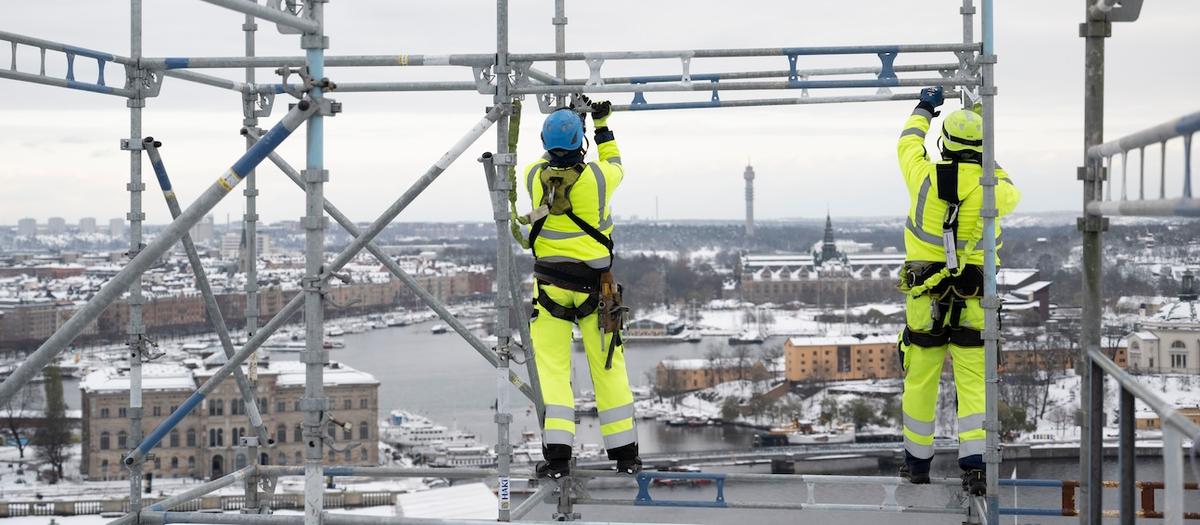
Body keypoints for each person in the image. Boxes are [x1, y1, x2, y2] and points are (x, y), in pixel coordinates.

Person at [895, 86, 1020, 496]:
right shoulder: (995, 188)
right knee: (974, 384)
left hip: (925, 298)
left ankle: (916, 465)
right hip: (974, 300)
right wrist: (983, 129)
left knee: (920, 381)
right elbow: (1004, 181)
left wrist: (926, 106)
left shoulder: (923, 176)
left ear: (944, 144)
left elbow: (909, 141)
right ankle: (976, 468)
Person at [522, 97, 640, 479]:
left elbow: (549, 161)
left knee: (552, 369)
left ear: (544, 142)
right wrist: (599, 123)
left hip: (550, 288)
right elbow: (614, 162)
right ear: (581, 143)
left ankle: (558, 457)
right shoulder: (600, 180)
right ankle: (624, 455)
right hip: (597, 290)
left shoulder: (530, 176)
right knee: (607, 367)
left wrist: (572, 119)